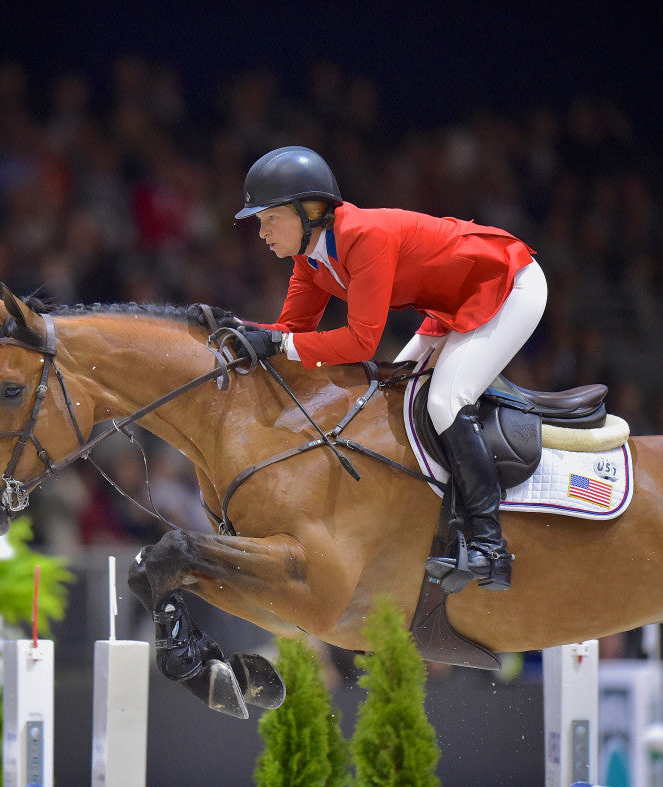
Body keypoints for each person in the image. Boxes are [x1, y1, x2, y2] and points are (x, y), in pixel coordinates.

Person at [232, 146, 547, 591]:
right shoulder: (311, 258)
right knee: (388, 396)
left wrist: (279, 342)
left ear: (309, 212)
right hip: (453, 302)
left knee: (445, 400)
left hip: (508, 283)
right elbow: (289, 331)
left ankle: (490, 547)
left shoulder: (365, 236)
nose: (261, 232)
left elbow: (360, 341)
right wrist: (238, 332)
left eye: (269, 219)